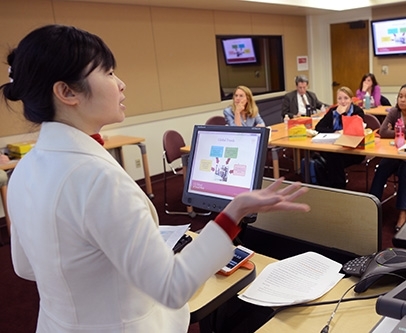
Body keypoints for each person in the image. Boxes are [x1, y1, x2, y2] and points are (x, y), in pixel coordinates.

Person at [2, 24, 310, 333]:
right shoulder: (98, 178)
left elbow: (26, 266)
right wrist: (234, 212)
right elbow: (173, 288)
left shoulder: (25, 169)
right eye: (108, 73)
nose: (121, 84)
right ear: (67, 92)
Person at [369, 84, 406, 231]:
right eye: (400, 96)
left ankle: (402, 213)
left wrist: (397, 131)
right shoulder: (395, 111)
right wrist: (404, 132)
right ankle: (371, 208)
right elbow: (382, 132)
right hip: (397, 152)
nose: (402, 100)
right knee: (382, 167)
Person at [314, 86, 365, 189]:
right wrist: (334, 131)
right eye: (339, 98)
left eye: (346, 98)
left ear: (351, 99)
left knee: (334, 158)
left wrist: (344, 114)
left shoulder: (357, 111)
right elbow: (319, 127)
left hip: (353, 149)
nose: (343, 101)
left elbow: (353, 131)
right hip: (334, 146)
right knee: (331, 156)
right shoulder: (333, 111)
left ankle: (337, 186)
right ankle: (333, 186)